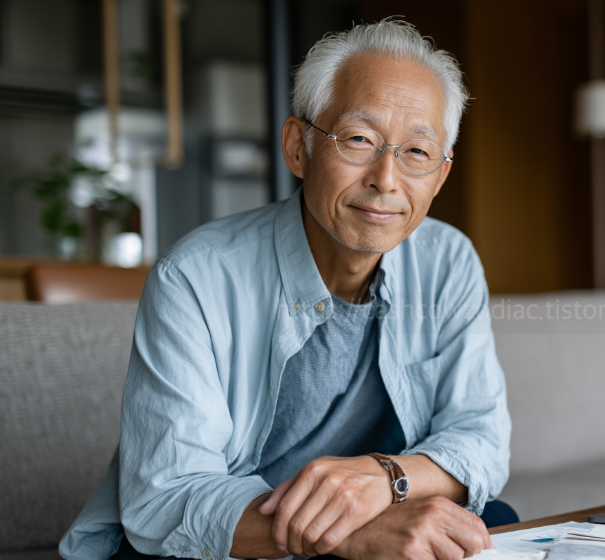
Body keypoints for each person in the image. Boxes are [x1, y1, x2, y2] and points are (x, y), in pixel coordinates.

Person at [59, 20, 513, 560]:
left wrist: (384, 478)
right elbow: (166, 498)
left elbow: (481, 439)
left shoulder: (449, 261)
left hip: (378, 503)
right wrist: (347, 534)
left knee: (490, 521)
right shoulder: (195, 277)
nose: (386, 179)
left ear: (439, 176)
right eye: (360, 140)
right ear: (298, 148)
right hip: (237, 534)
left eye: (417, 151)